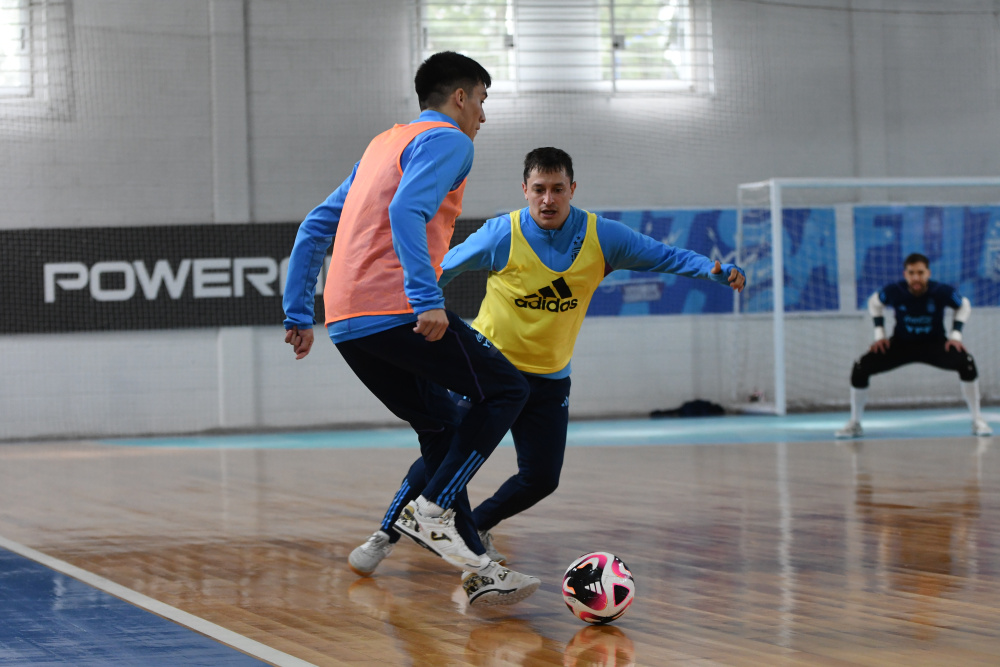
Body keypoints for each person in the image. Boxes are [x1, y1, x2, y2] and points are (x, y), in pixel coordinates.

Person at [348, 146, 746, 579]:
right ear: (524, 191)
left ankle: (475, 528)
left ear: (572, 190)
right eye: (539, 189)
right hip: (487, 371)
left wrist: (712, 269)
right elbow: (438, 272)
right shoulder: (502, 234)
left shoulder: (603, 237)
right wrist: (393, 317)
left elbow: (664, 255)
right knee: (443, 451)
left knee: (541, 478)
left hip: (550, 380)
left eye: (558, 189)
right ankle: (385, 534)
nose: (548, 199)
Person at [282, 51, 540, 607]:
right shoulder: (451, 141)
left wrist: (299, 312)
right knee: (508, 389)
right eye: (483, 102)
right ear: (461, 98)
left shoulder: (383, 145)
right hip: (397, 309)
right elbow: (407, 211)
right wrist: (426, 299)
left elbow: (313, 226)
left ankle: (477, 567)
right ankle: (431, 510)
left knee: (444, 429)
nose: (483, 118)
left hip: (348, 323)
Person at [835, 252, 992, 438]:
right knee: (861, 367)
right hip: (902, 345)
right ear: (905, 274)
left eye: (920, 272)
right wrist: (880, 335)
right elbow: (874, 303)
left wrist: (955, 335)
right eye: (911, 273)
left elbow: (963, 305)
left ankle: (977, 420)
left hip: (934, 345)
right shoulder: (894, 291)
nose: (916, 277)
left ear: (928, 273)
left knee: (966, 363)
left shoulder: (941, 291)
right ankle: (855, 423)